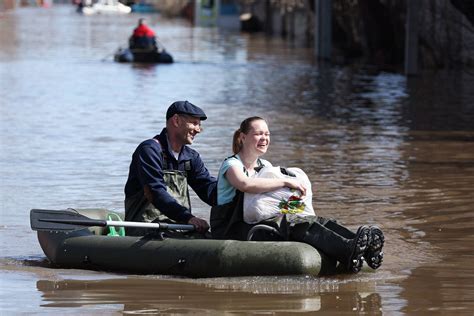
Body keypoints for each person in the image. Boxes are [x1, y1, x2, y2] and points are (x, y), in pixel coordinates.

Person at [210, 116, 384, 273]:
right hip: (232, 228)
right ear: (243, 137)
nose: (264, 138)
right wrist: (286, 182)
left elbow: (272, 201)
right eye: (258, 134)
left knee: (315, 220)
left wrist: (295, 202)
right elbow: (245, 185)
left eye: (267, 134)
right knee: (293, 224)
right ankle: (347, 250)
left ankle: (362, 246)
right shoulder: (231, 165)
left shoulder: (265, 165)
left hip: (259, 220)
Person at [124, 101, 217, 236]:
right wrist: (188, 218)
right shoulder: (149, 150)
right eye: (194, 123)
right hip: (147, 230)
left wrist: (235, 192)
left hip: (180, 228)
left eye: (199, 125)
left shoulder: (191, 157)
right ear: (176, 120)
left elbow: (208, 189)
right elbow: (156, 192)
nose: (198, 130)